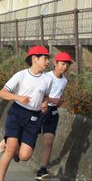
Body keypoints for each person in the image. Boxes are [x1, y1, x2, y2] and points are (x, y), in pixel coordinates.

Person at [0, 46, 53, 181]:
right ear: (34, 59)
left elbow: (45, 96)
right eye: (45, 58)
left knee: (25, 156)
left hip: (34, 117)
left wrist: (44, 104)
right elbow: (2, 92)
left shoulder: (47, 79)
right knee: (11, 149)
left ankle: (9, 142)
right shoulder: (21, 75)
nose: (47, 62)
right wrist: (18, 97)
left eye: (47, 59)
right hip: (17, 112)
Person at [35, 52, 72, 180]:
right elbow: (37, 94)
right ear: (55, 63)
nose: (65, 67)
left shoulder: (65, 81)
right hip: (41, 110)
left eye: (67, 65)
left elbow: (59, 97)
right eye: (62, 64)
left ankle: (42, 169)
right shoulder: (46, 77)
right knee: (31, 135)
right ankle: (16, 150)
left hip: (53, 113)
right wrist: (52, 100)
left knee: (49, 140)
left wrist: (59, 101)